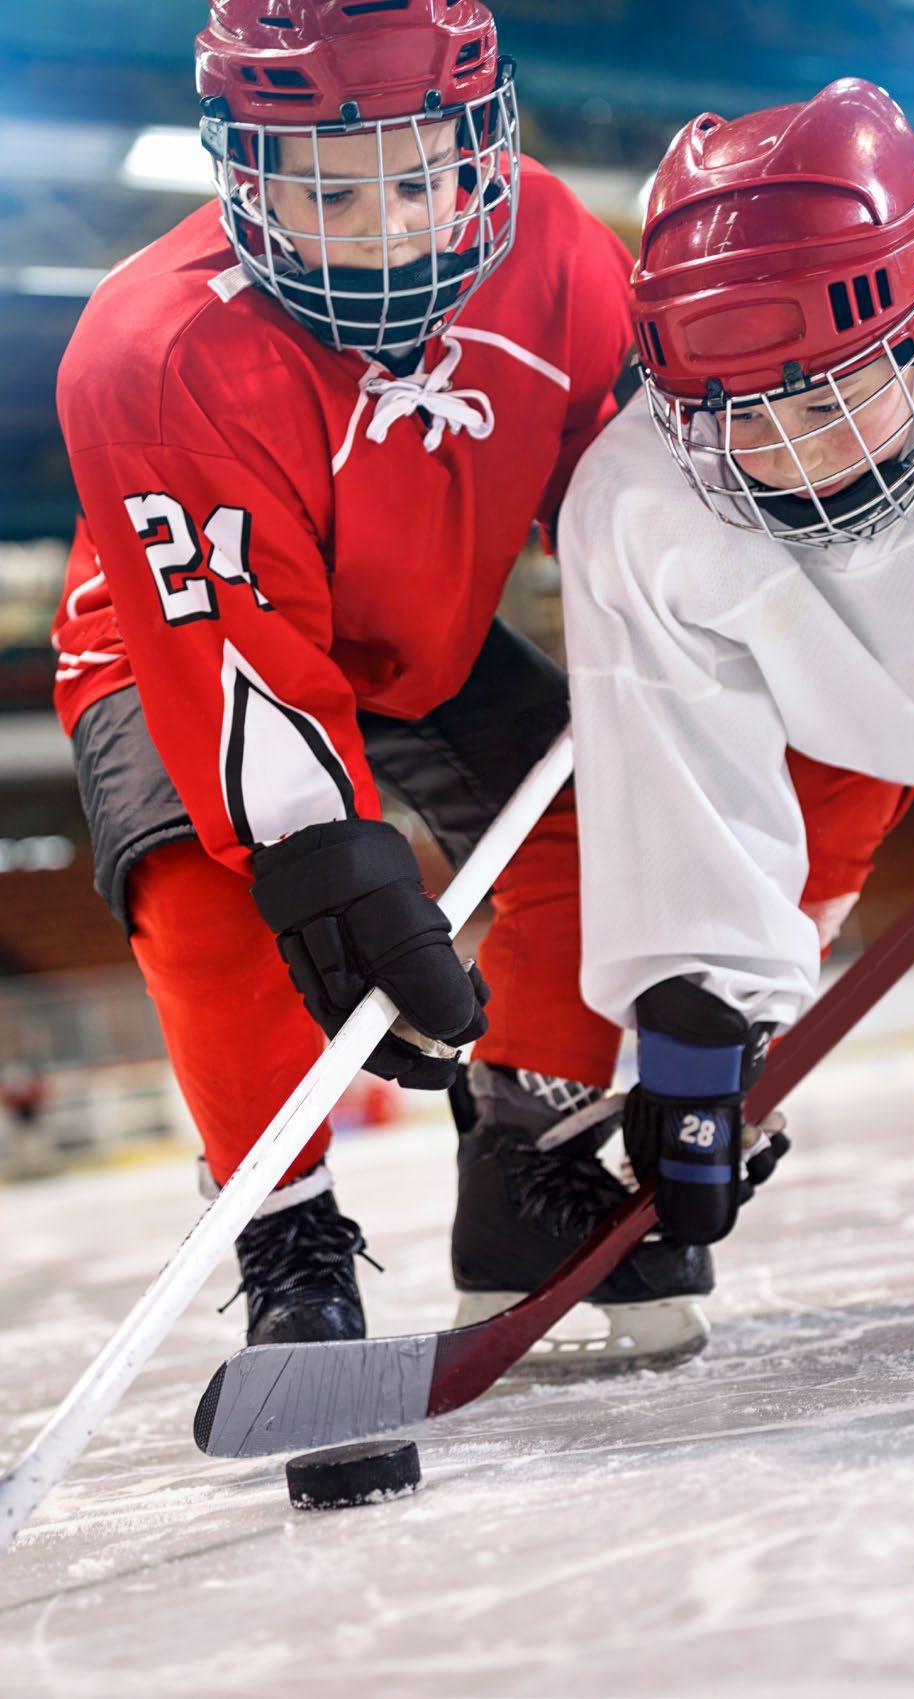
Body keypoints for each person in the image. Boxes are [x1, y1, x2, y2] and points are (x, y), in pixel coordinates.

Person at [52, 0, 721, 1369]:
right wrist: (328, 864)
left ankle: (526, 1162)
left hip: (421, 617)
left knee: (606, 819)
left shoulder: (561, 254)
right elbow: (234, 661)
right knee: (205, 887)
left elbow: (632, 509)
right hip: (191, 635)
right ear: (245, 176)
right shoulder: (149, 348)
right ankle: (285, 1232)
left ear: (483, 146)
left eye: (420, 180)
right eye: (329, 192)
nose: (390, 230)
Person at [559, 76, 914, 1251]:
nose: (790, 455)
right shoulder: (640, 499)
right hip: (841, 718)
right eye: (737, 416)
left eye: (829, 400)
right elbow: (672, 764)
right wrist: (692, 1037)